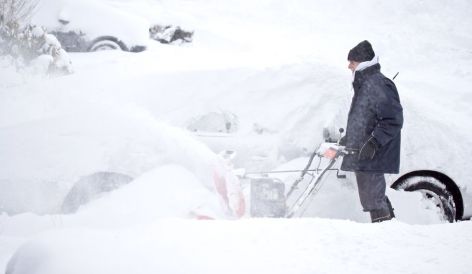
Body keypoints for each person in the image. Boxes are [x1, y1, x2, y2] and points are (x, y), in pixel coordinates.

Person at [340, 40, 403, 223]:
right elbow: (365, 118)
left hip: (374, 153)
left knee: (373, 198)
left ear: (362, 61)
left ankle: (384, 232)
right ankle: (388, 229)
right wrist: (350, 139)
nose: (348, 66)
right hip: (365, 153)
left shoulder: (378, 84)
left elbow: (393, 119)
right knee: (372, 196)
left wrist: (374, 141)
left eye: (351, 61)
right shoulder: (366, 83)